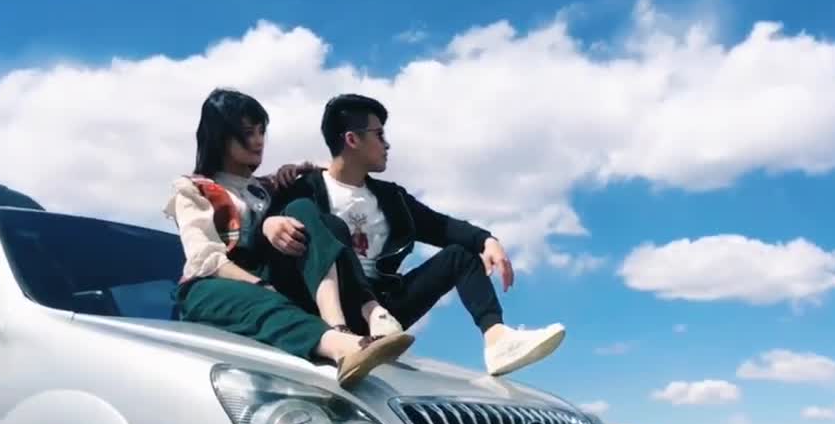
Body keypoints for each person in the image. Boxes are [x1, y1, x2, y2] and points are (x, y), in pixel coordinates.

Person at [266, 93, 566, 377]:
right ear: (352, 139)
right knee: (332, 227)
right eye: (379, 134)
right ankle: (351, 328)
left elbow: (442, 227)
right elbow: (259, 233)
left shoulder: (391, 198)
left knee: (460, 255)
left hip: (386, 314)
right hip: (329, 311)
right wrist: (271, 223)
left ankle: (498, 340)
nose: (387, 144)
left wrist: (487, 240)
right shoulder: (302, 187)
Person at [164, 88, 414, 388]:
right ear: (220, 136)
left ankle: (341, 324)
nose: (258, 140)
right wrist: (260, 285)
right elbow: (205, 258)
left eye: (261, 131)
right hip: (214, 287)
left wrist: (301, 169)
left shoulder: (268, 186)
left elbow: (325, 171)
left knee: (309, 212)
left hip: (268, 277)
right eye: (247, 132)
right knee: (257, 299)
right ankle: (341, 346)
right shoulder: (193, 190)